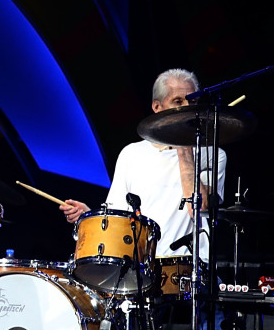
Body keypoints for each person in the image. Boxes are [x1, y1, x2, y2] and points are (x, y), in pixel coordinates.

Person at [60, 68, 227, 263]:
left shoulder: (213, 154)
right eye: (178, 101)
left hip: (189, 266)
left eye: (192, 102)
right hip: (141, 267)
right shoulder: (131, 154)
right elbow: (118, 218)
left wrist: (184, 146)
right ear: (157, 107)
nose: (187, 108)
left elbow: (200, 207)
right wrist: (89, 217)